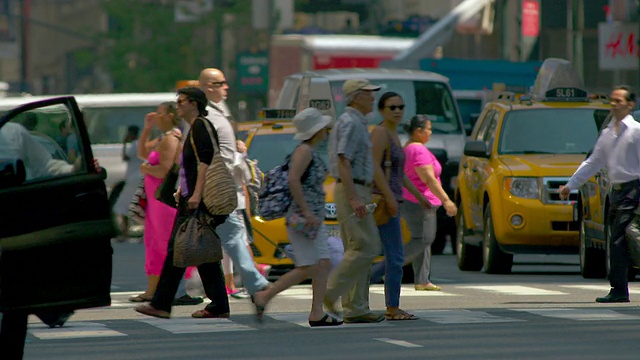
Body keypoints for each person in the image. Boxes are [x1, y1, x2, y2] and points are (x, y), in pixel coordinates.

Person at [135, 87, 230, 319]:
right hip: (191, 197)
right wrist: (183, 189)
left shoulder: (200, 125)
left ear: (194, 103)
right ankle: (218, 304)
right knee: (201, 251)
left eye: (181, 101)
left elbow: (205, 161)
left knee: (177, 249)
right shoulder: (192, 127)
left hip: (199, 200)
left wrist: (196, 194)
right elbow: (191, 166)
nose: (177, 105)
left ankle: (162, 303)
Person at [252, 108, 342, 326]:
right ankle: (265, 296)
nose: (327, 131)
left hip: (313, 217)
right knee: (309, 266)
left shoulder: (310, 150)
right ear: (316, 130)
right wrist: (307, 211)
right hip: (303, 218)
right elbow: (293, 181)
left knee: (322, 263)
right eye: (323, 127)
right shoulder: (304, 151)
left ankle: (317, 312)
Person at [198, 68, 271, 311]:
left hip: (218, 192)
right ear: (208, 87)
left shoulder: (217, 113)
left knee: (223, 241)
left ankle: (250, 287)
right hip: (216, 190)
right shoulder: (209, 115)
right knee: (224, 241)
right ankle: (247, 288)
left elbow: (219, 159)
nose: (226, 87)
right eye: (221, 83)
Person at [559, 85, 640, 303]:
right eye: (612, 100)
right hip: (617, 192)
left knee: (619, 241)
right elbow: (593, 162)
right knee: (618, 241)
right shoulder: (607, 133)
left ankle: (619, 290)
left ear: (630, 105)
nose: (614, 105)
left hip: (634, 190)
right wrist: (570, 185)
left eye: (619, 101)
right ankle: (619, 289)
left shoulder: (636, 131)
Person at [324, 78, 385, 324]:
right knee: (367, 246)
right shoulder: (350, 122)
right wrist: (353, 197)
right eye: (369, 93)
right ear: (356, 96)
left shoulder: (357, 121)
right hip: (353, 190)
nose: (373, 98)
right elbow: (343, 161)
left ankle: (356, 307)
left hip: (359, 188)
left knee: (359, 249)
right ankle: (331, 293)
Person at [129, 102, 201, 306]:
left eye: (159, 114)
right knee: (153, 244)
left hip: (164, 203)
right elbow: (142, 152)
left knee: (162, 244)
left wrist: (146, 169)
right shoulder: (163, 137)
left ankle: (169, 289)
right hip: (155, 203)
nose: (156, 116)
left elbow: (166, 170)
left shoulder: (171, 139)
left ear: (170, 115)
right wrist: (147, 128)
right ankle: (152, 290)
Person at [368, 93, 432, 321]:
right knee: (391, 256)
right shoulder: (381, 132)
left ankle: (387, 305)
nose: (397, 110)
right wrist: (389, 196)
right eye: (392, 107)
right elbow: (374, 166)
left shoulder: (394, 134)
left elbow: (400, 174)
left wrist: (419, 196)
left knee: (390, 255)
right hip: (382, 202)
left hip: (393, 200)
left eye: (400, 107)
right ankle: (389, 307)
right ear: (382, 109)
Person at [398, 115, 456, 291]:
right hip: (420, 202)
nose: (431, 132)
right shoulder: (417, 150)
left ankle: (422, 279)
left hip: (415, 201)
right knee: (422, 240)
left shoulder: (410, 147)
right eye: (429, 129)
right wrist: (447, 201)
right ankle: (389, 265)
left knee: (423, 241)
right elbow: (429, 179)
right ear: (418, 131)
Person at [112, 125, 143, 241]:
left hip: (133, 179)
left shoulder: (134, 145)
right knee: (137, 206)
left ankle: (124, 234)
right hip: (138, 178)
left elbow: (125, 157)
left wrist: (124, 144)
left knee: (122, 206)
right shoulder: (140, 144)